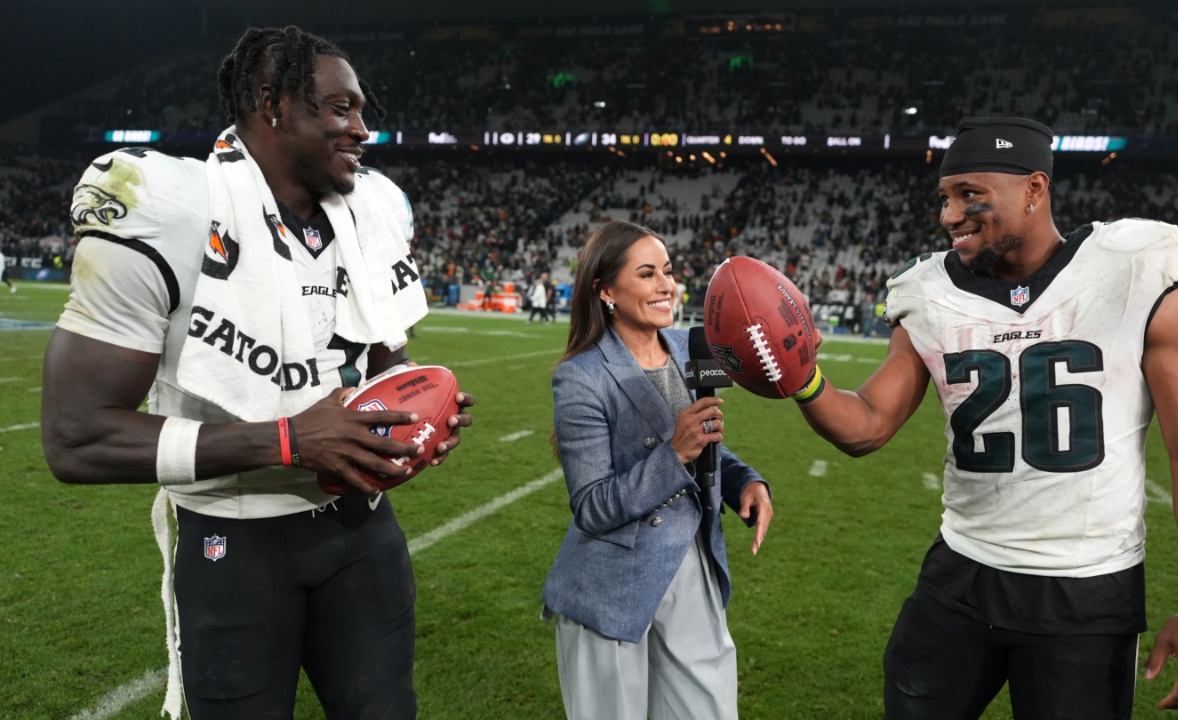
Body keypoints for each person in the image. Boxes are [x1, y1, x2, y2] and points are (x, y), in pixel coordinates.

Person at [42, 26, 474, 720]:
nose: (362, 129)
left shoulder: (370, 210)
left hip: (361, 530)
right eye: (340, 109)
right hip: (234, 536)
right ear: (271, 103)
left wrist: (419, 415)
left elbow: (389, 364)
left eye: (361, 110)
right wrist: (287, 441)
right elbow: (75, 437)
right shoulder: (172, 206)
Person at [788, 117, 1178, 718]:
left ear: (1034, 189)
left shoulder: (1134, 267)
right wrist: (803, 379)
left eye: (970, 195)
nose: (950, 215)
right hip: (960, 575)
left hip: (1086, 588)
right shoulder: (928, 291)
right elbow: (868, 423)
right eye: (946, 198)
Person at [541, 220, 774, 720]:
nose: (665, 285)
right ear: (606, 290)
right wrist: (675, 454)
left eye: (667, 271)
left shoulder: (694, 347)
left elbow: (705, 441)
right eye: (646, 274)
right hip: (612, 584)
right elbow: (592, 507)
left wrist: (743, 482)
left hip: (693, 563)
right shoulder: (580, 376)